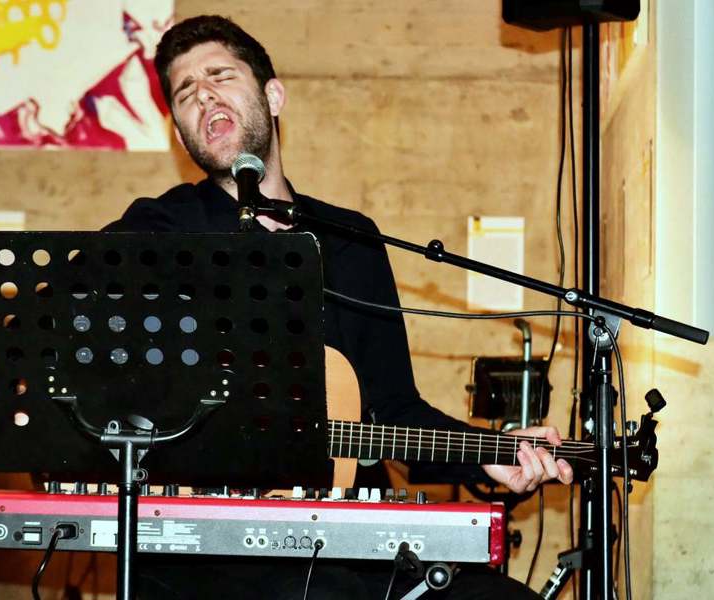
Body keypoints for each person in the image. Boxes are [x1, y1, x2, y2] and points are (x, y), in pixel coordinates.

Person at [104, 15, 572, 599]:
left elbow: (394, 408)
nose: (203, 94)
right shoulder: (160, 227)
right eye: (185, 91)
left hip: (350, 544)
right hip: (211, 555)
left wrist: (488, 459)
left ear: (273, 96)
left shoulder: (351, 239)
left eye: (220, 75)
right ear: (181, 135)